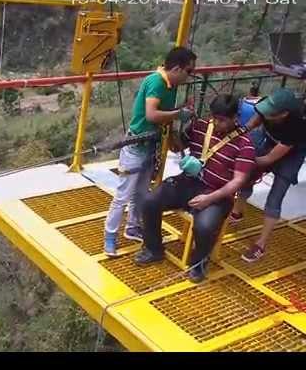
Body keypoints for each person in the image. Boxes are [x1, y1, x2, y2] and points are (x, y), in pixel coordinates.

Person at [134, 94, 256, 283]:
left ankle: (198, 263)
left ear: (235, 118)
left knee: (205, 227)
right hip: (188, 182)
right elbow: (179, 145)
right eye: (214, 117)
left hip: (217, 193)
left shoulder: (244, 144)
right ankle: (153, 249)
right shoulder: (201, 126)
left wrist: (210, 199)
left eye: (222, 120)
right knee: (149, 202)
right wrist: (173, 134)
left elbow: (238, 181)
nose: (216, 123)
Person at [103, 47, 196, 257]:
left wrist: (176, 130)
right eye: (189, 72)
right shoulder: (156, 82)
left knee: (141, 193)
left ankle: (133, 227)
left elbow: (164, 117)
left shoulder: (170, 86)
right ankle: (109, 236)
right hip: (136, 146)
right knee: (123, 194)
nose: (189, 77)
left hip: (150, 145)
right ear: (177, 68)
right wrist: (179, 114)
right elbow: (152, 115)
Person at [230, 88, 306, 262]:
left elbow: (267, 160)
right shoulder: (265, 109)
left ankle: (261, 244)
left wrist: (244, 159)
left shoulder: (298, 127)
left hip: (291, 154)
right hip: (270, 140)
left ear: (284, 114)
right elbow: (249, 125)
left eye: (270, 114)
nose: (266, 115)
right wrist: (232, 137)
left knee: (275, 196)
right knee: (246, 178)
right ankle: (237, 211)